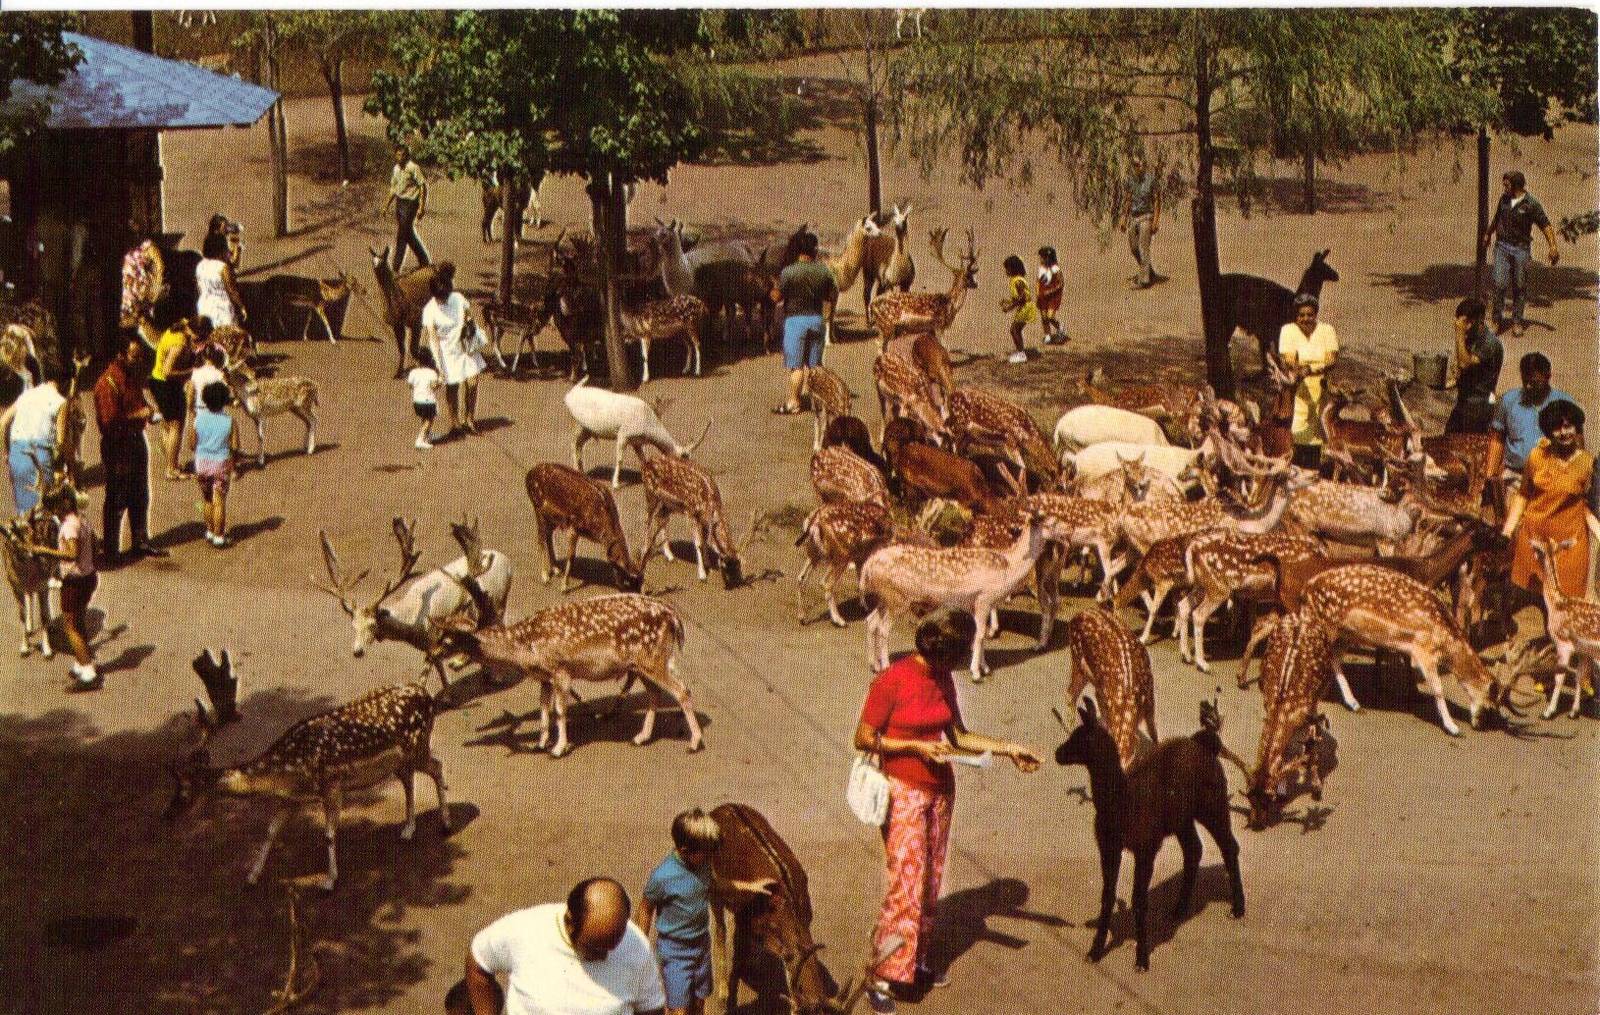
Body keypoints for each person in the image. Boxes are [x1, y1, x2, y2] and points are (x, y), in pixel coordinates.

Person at [853, 612, 1042, 1012]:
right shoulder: (893, 679)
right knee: (906, 882)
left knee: (930, 881)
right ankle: (882, 976)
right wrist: (916, 747)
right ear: (944, 652)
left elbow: (959, 735)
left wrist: (1010, 749)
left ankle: (914, 961)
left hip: (941, 792)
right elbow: (864, 737)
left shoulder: (943, 678)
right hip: (903, 790)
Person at [461, 877, 666, 1015]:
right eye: (594, 948)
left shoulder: (637, 946)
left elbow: (651, 1009)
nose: (604, 957)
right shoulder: (525, 930)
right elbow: (479, 961)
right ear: (569, 922)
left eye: (613, 946)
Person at [1502, 399, 1598, 605]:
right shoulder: (1536, 457)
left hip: (1569, 545)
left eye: (1568, 426)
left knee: (1566, 602)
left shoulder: (1588, 464)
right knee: (1533, 598)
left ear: (1576, 428)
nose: (1563, 433)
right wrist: (1508, 529)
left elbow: (1590, 507)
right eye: (1557, 427)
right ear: (1548, 430)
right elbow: (1523, 494)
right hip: (1535, 539)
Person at [637, 809, 721, 1015]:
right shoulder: (663, 876)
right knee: (679, 1010)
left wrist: (750, 886)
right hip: (675, 953)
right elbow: (645, 908)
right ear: (685, 850)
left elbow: (714, 884)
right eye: (706, 851)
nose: (711, 856)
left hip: (701, 946)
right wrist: (638, 947)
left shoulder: (703, 865)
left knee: (699, 1003)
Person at [94, 335, 167, 563]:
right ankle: (111, 550)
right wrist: (139, 414)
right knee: (117, 497)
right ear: (121, 355)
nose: (139, 360)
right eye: (134, 356)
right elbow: (109, 421)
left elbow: (139, 402)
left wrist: (148, 410)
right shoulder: (107, 383)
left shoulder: (131, 376)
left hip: (136, 440)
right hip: (117, 445)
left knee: (140, 494)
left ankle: (140, 540)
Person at [22, 483, 99, 690]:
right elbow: (94, 544)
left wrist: (43, 550)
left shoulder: (69, 526)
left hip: (75, 581)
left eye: (54, 507)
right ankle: (80, 663)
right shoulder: (82, 519)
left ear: (63, 504)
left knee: (70, 627)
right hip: (89, 576)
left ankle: (88, 673)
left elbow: (71, 554)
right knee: (79, 621)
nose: (53, 512)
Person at [1481, 170, 1560, 337]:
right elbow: (1497, 218)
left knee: (1519, 285)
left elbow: (1545, 225)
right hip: (1502, 247)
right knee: (1499, 283)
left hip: (1521, 250)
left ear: (1516, 185)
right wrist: (1488, 234)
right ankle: (1496, 320)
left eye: (1507, 185)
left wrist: (1553, 246)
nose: (1504, 188)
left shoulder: (1531, 204)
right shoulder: (1504, 199)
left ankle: (1517, 321)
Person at [770, 230, 837, 416]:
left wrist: (773, 287)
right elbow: (831, 295)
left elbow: (776, 298)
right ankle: (818, 402)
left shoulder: (789, 272)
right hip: (817, 320)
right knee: (815, 367)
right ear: (814, 250)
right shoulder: (824, 271)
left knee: (796, 367)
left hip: (795, 322)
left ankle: (794, 402)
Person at [421, 263, 485, 436]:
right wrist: (439, 366)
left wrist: (469, 324)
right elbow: (433, 340)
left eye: (446, 296)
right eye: (441, 298)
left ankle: (469, 419)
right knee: (453, 387)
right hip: (447, 353)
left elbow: (468, 313)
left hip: (465, 348)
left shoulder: (457, 298)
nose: (444, 301)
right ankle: (455, 423)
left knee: (473, 383)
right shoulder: (429, 311)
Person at [1276, 293, 1339, 470]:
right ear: (1296, 316)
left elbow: (1331, 359)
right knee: (1296, 429)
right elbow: (1288, 359)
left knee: (1319, 430)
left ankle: (1315, 468)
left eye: (1309, 314)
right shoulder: (1288, 330)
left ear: (1316, 314)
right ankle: (1295, 467)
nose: (1305, 319)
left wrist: (1312, 369)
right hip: (1298, 388)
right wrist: (1298, 369)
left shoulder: (1327, 330)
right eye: (1301, 315)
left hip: (1321, 387)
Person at [1491, 352, 1573, 476]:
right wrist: (1490, 476)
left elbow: (1577, 445)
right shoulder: (1508, 400)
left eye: (1534, 383)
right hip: (1515, 476)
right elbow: (1497, 440)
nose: (1529, 387)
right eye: (1525, 381)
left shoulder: (1564, 404)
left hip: (1554, 477)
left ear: (1548, 376)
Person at [1, 362, 68, 513]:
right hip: (40, 456)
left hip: (17, 453)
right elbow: (61, 441)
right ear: (64, 383)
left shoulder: (27, 395)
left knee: (25, 512)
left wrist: (7, 452)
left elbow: (3, 422)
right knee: (45, 510)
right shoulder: (60, 401)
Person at [191, 381, 239, 548]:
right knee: (219, 500)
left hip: (202, 464)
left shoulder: (198, 419)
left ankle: (210, 531)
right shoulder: (230, 421)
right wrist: (234, 466)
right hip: (221, 463)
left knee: (207, 499)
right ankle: (219, 535)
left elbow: (192, 444)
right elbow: (235, 447)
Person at [1445, 297, 1503, 435]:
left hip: (1479, 406)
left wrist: (1459, 334)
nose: (1466, 326)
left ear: (1480, 319)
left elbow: (1464, 363)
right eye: (1462, 322)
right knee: (1448, 438)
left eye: (1468, 322)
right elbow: (1461, 364)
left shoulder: (1489, 343)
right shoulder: (1471, 335)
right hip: (1464, 401)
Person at [149, 317, 197, 481]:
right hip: (166, 384)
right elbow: (167, 372)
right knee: (176, 425)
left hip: (156, 381)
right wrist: (190, 372)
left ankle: (170, 459)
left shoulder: (179, 326)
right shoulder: (179, 344)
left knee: (168, 424)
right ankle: (172, 468)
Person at [383, 143, 431, 273]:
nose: (400, 157)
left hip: (411, 203)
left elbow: (423, 186)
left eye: (403, 155)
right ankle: (424, 260)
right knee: (408, 234)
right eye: (398, 155)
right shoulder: (396, 169)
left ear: (407, 156)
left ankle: (396, 267)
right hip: (400, 203)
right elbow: (394, 188)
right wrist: (386, 206)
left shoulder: (413, 168)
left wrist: (421, 207)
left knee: (402, 235)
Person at [119, 232, 164, 344]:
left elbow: (158, 263)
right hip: (137, 311)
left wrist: (156, 287)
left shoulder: (139, 250)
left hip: (153, 292)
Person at [195, 230, 245, 331]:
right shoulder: (223, 267)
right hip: (222, 308)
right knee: (229, 338)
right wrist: (242, 307)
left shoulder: (200, 265)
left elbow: (199, 288)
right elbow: (232, 291)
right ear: (220, 249)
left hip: (204, 306)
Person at [1124, 156, 1161, 289]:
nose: (1138, 167)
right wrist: (1124, 218)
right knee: (1134, 248)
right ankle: (1150, 272)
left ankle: (1144, 280)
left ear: (1144, 166)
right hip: (1134, 217)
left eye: (1140, 165)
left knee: (1143, 247)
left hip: (1147, 216)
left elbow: (1157, 201)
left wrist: (1156, 221)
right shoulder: (1129, 181)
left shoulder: (1151, 180)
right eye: (1135, 165)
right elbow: (1128, 200)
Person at [1000, 254, 1036, 365]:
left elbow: (1022, 298)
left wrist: (1009, 307)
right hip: (1025, 307)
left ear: (1012, 269)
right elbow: (1018, 298)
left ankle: (1021, 354)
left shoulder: (1017, 281)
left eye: (1007, 269)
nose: (1006, 271)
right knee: (1016, 329)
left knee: (1014, 329)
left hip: (1026, 308)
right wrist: (1008, 301)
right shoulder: (1016, 280)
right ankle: (1020, 352)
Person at [407, 346, 443, 450]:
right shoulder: (432, 373)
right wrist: (439, 382)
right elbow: (434, 387)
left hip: (417, 400)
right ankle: (420, 439)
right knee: (429, 420)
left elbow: (410, 385)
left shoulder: (413, 372)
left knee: (424, 418)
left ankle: (427, 435)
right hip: (429, 400)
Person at [1035, 246, 1066, 346]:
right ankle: (1047, 335)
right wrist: (1037, 292)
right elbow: (1038, 281)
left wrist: (1051, 291)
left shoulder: (1055, 268)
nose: (1041, 259)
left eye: (1043, 257)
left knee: (1050, 316)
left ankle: (1060, 328)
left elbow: (1061, 283)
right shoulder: (1041, 268)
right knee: (1044, 317)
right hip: (1043, 295)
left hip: (1053, 296)